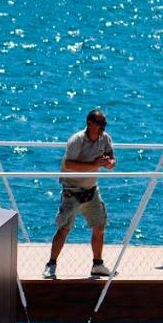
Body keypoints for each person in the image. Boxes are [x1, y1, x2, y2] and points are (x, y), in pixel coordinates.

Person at [44, 109, 116, 279]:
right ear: (90, 124)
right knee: (64, 229)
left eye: (104, 125)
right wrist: (94, 165)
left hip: (91, 190)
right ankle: (51, 264)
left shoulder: (104, 138)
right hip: (72, 191)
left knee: (99, 227)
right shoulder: (76, 140)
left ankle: (97, 264)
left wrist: (108, 164)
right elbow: (69, 164)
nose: (103, 128)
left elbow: (112, 158)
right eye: (100, 125)